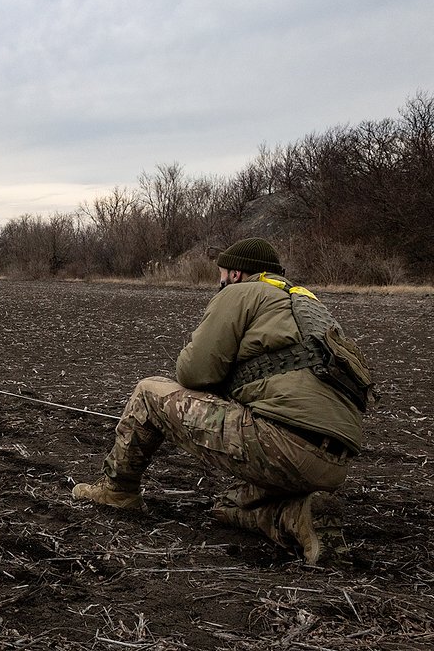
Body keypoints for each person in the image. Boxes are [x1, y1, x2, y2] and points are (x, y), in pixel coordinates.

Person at [72, 237, 371, 564]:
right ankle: (296, 516)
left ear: (236, 273)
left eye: (222, 274)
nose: (221, 280)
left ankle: (116, 490)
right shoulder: (309, 305)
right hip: (333, 465)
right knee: (227, 504)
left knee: (148, 392)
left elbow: (193, 372)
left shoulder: (240, 293)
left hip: (279, 447)